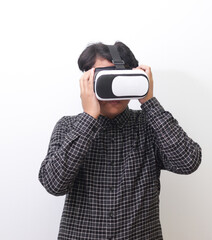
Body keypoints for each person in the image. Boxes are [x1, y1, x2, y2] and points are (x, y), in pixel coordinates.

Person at [38, 41, 202, 240]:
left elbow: (188, 162)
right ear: (87, 82)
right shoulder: (68, 126)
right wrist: (89, 118)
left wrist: (149, 101)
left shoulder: (150, 125)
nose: (114, 88)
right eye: (105, 78)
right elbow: (54, 184)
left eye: (121, 78)